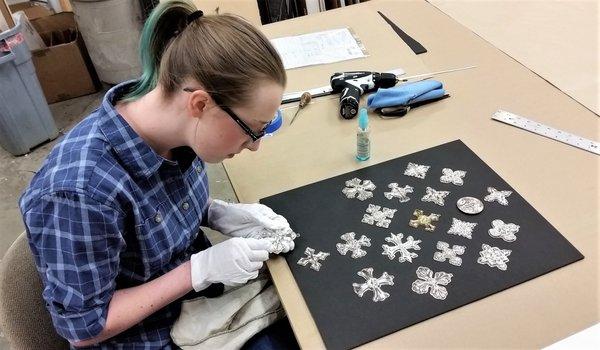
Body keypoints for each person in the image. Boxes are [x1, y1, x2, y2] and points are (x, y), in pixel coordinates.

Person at [19, 1, 298, 348]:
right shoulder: (79, 194)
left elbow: (155, 206)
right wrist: (197, 271)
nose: (254, 146)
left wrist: (215, 212)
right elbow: (84, 328)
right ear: (200, 104)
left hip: (199, 308)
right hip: (151, 336)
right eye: (252, 130)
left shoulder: (174, 122)